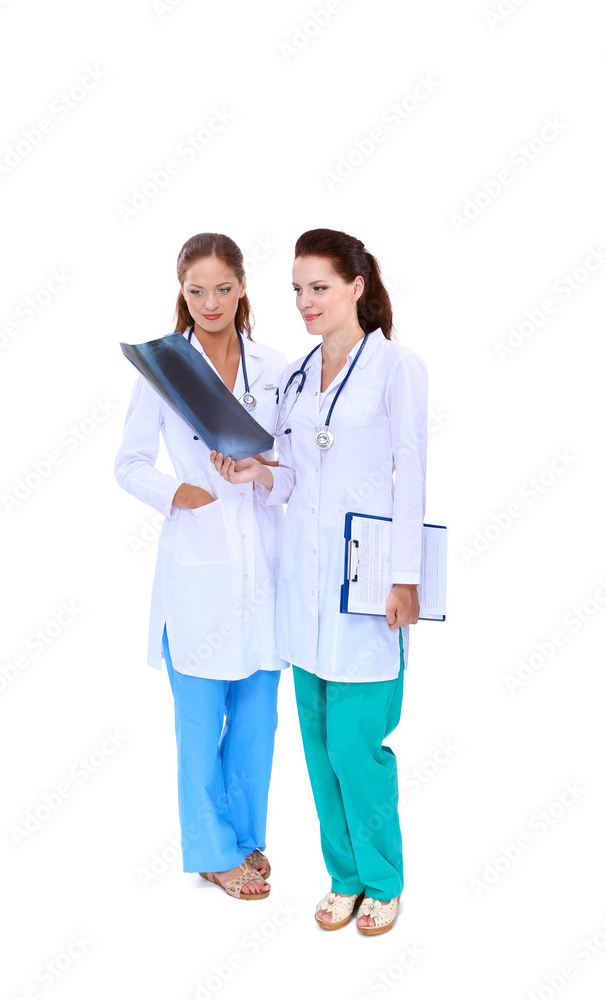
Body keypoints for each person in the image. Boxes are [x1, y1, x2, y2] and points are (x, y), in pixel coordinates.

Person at [210, 228, 428, 931]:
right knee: (315, 742)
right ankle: (343, 875)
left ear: (356, 287)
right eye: (298, 290)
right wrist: (254, 472)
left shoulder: (396, 367)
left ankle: (382, 878)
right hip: (300, 587)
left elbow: (411, 474)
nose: (305, 302)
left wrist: (405, 576)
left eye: (320, 288)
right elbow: (292, 473)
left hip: (367, 587)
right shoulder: (301, 374)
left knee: (355, 745)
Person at [114, 233, 291, 899]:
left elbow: (291, 465)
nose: (210, 301)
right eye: (196, 290)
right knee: (198, 718)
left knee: (257, 715)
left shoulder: (274, 367)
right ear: (180, 292)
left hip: (263, 564)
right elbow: (128, 464)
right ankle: (213, 851)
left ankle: (245, 837)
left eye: (222, 287)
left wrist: (265, 478)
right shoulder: (164, 371)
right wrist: (175, 492)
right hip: (199, 566)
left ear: (242, 287)